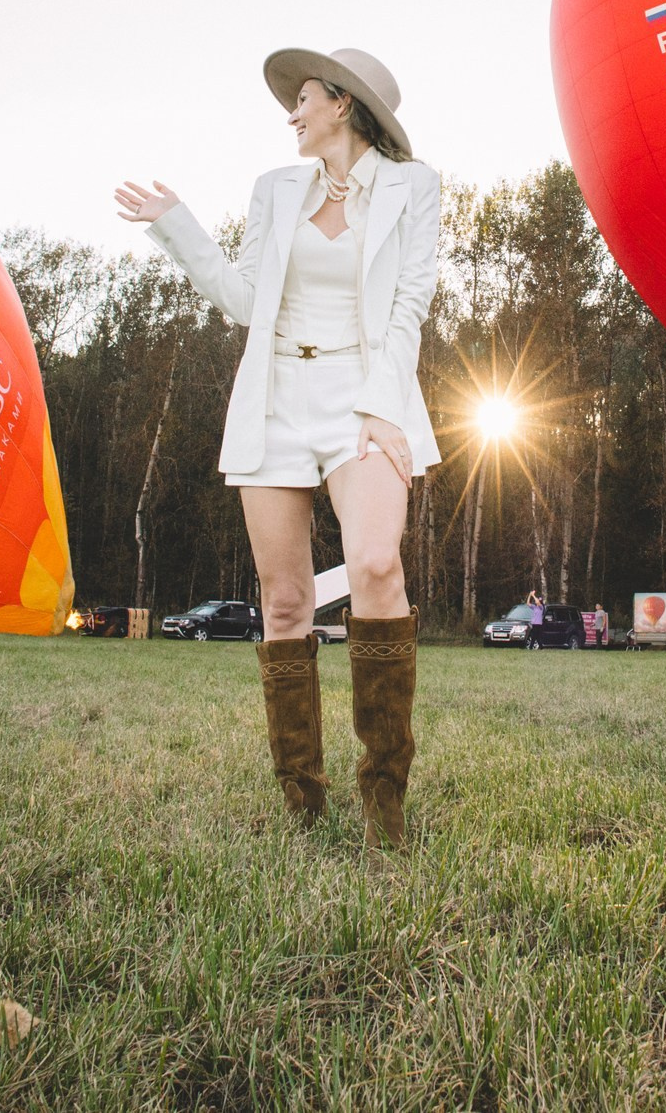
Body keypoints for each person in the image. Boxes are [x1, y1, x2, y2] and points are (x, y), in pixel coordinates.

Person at [115, 47, 440, 847]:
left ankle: (383, 801)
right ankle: (302, 801)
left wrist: (382, 407)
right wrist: (176, 225)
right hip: (277, 404)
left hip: (366, 401)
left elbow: (410, 304)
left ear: (344, 104)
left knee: (373, 563)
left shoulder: (414, 188)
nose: (290, 113)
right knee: (286, 601)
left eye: (302, 98)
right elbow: (241, 300)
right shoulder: (276, 189)